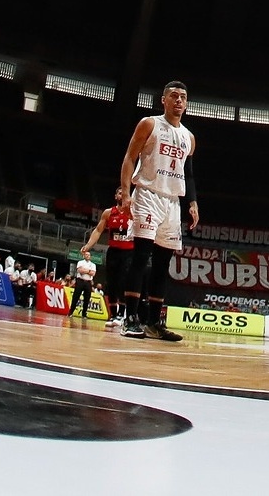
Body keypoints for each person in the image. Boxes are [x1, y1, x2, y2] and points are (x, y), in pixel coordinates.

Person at [117, 80, 199, 341]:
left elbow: (189, 172)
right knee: (141, 256)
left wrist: (193, 202)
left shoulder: (189, 137)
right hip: (148, 194)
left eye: (183, 97)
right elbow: (130, 157)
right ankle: (130, 318)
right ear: (163, 100)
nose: (179, 101)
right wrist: (125, 192)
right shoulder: (149, 124)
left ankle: (154, 321)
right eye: (173, 96)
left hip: (173, 201)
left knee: (163, 264)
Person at [82, 188, 134, 326]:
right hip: (113, 251)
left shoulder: (134, 212)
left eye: (124, 192)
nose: (122, 195)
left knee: (124, 282)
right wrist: (88, 245)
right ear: (115, 195)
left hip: (128, 252)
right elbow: (98, 230)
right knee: (111, 283)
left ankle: (121, 315)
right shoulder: (108, 213)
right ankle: (112, 315)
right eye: (119, 192)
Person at [69, 250, 97, 318]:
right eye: (86, 255)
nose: (87, 256)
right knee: (76, 296)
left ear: (90, 257)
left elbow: (93, 273)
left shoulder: (93, 265)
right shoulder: (80, 262)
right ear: (84, 256)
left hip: (88, 282)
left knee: (87, 298)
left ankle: (84, 314)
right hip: (80, 281)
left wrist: (85, 270)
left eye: (89, 255)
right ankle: (70, 312)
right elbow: (80, 271)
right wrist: (89, 271)